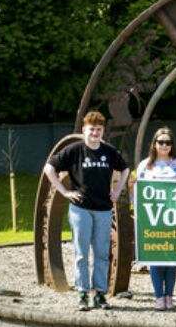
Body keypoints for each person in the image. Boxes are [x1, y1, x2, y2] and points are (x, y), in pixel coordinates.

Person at [43, 111, 129, 311]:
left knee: (101, 253)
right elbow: (49, 168)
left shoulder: (108, 151)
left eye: (99, 129)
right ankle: (82, 293)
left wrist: (117, 190)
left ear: (103, 131)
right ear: (84, 130)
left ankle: (99, 294)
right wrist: (64, 191)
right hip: (80, 209)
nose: (95, 133)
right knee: (81, 253)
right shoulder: (75, 150)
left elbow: (124, 169)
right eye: (92, 129)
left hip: (104, 210)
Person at [131, 127, 176, 310]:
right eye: (160, 142)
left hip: (173, 217)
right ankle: (158, 297)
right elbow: (136, 196)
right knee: (155, 257)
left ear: (172, 145)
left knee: (172, 258)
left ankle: (169, 296)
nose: (164, 145)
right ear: (154, 144)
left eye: (167, 142)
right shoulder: (145, 165)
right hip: (151, 219)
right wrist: (133, 187)